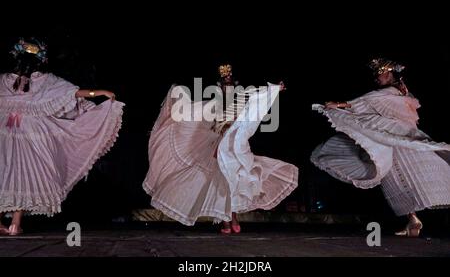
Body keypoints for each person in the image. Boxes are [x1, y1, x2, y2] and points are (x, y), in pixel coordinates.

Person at [143, 63, 298, 233]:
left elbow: (257, 100)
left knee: (231, 182)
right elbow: (199, 121)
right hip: (218, 145)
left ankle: (231, 220)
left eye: (230, 84)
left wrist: (275, 90)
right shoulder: (213, 105)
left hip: (234, 147)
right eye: (225, 84)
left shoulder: (240, 101)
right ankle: (229, 221)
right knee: (224, 184)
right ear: (220, 87)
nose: (228, 87)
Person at [311, 58, 450, 237]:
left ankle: (414, 219)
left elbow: (368, 101)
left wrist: (339, 105)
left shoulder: (390, 91)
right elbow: (375, 105)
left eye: (379, 74)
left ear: (389, 73)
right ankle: (412, 219)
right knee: (395, 177)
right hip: (396, 136)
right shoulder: (401, 90)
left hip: (397, 134)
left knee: (403, 174)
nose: (377, 78)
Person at [0, 38, 124, 235]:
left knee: (6, 173)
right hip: (33, 134)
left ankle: (9, 221)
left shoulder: (5, 80)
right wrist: (98, 92)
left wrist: (98, 91)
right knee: (26, 174)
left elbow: (70, 93)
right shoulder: (44, 81)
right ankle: (15, 223)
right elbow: (73, 93)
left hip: (5, 132)